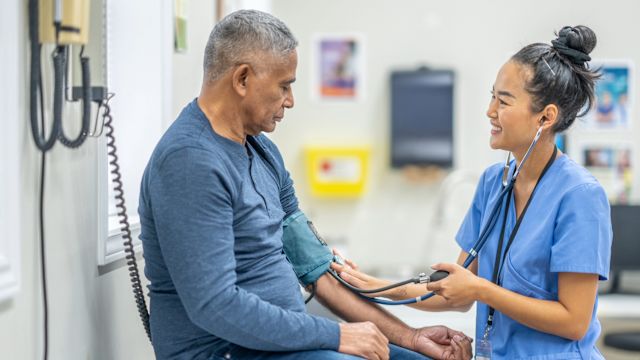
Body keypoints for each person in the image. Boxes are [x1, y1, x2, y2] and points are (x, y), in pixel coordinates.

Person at [138, 9, 472, 360]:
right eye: (284, 86)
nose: (290, 101)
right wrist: (335, 335)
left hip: (281, 346)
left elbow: (319, 273)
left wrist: (411, 337)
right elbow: (214, 304)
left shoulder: (263, 152)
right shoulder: (190, 162)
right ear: (242, 79)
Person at [333, 25, 612, 359]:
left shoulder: (579, 196)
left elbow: (574, 321)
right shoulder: (494, 183)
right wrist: (375, 285)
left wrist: (482, 290)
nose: (490, 111)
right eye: (492, 96)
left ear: (545, 117)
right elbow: (456, 292)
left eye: (504, 101)